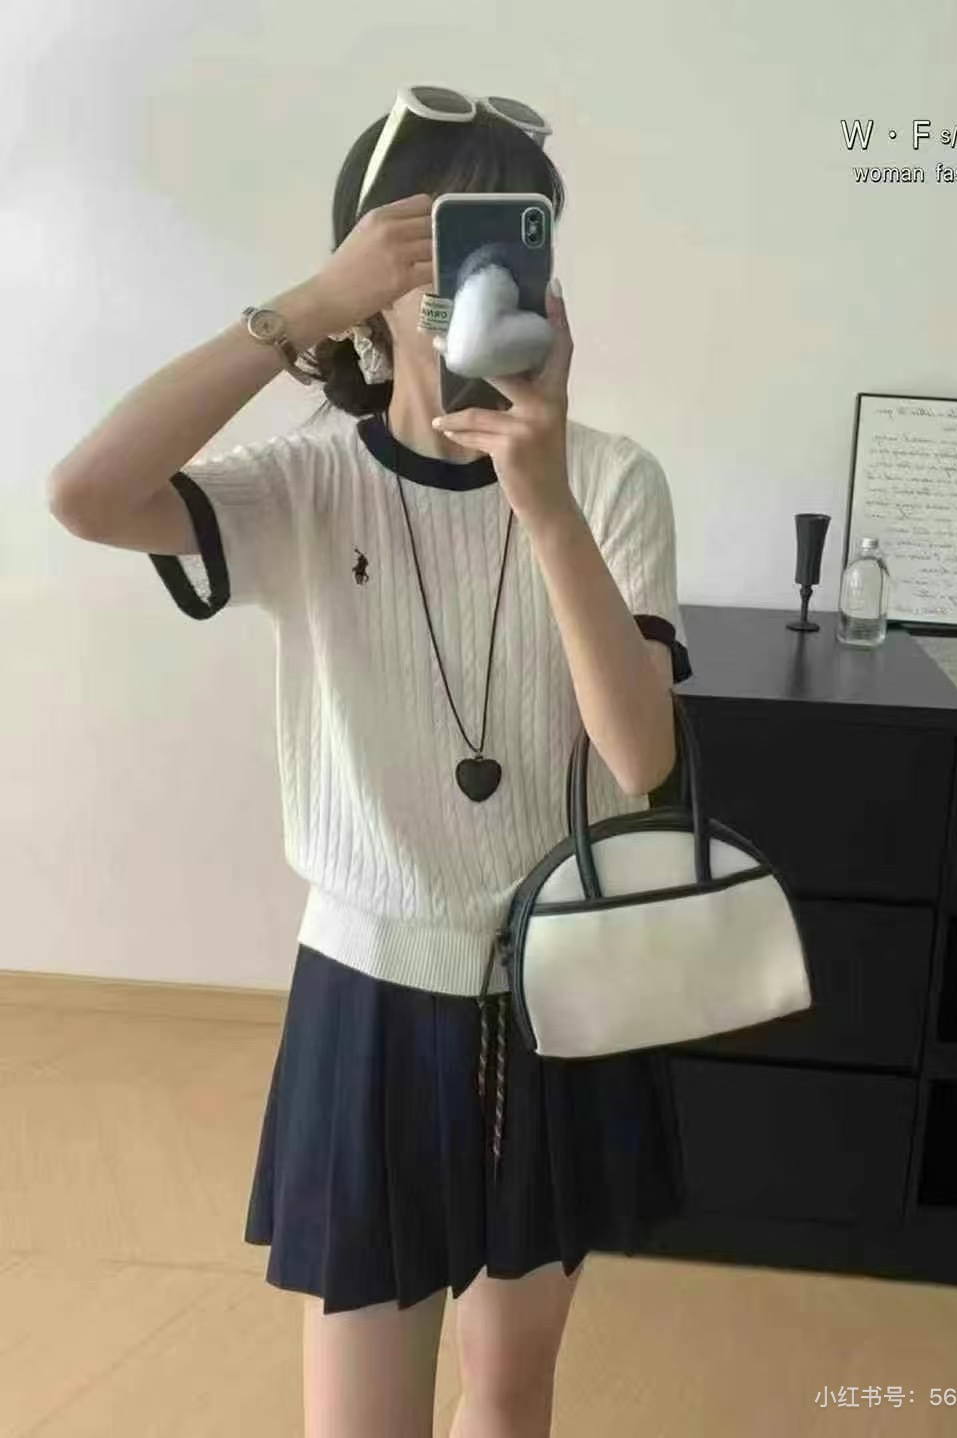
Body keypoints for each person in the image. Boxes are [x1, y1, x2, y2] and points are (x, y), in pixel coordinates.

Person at [46, 93, 692, 1438]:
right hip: (371, 994)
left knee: (509, 1391)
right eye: (440, 243)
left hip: (558, 992)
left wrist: (546, 505)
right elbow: (84, 494)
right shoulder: (307, 485)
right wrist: (295, 310)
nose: (492, 277)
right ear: (372, 270)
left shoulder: (613, 483)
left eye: (522, 238)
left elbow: (638, 756)